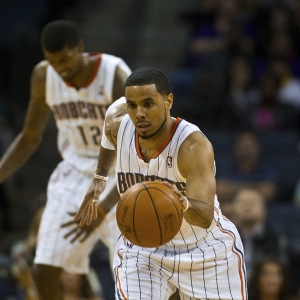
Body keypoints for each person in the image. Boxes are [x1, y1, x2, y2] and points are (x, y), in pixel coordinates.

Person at [75, 67, 247, 299]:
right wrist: (99, 179)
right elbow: (107, 138)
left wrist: (182, 204)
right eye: (132, 105)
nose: (139, 114)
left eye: (148, 104)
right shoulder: (118, 121)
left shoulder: (193, 146)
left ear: (168, 101)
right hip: (143, 249)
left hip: (205, 251)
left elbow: (205, 217)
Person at [0, 20, 131, 300]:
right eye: (53, 61)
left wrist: (104, 210)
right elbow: (30, 137)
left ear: (80, 49)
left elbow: (140, 151)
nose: (61, 69)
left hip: (122, 171)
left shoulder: (114, 75)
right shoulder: (43, 76)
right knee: (44, 270)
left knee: (131, 275)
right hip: (74, 171)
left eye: (65, 59)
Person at [230, 188, 290, 280]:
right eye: (242, 202)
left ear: (264, 210)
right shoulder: (226, 239)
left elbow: (281, 272)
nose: (247, 205)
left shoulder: (276, 238)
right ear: (233, 210)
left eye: (253, 202)